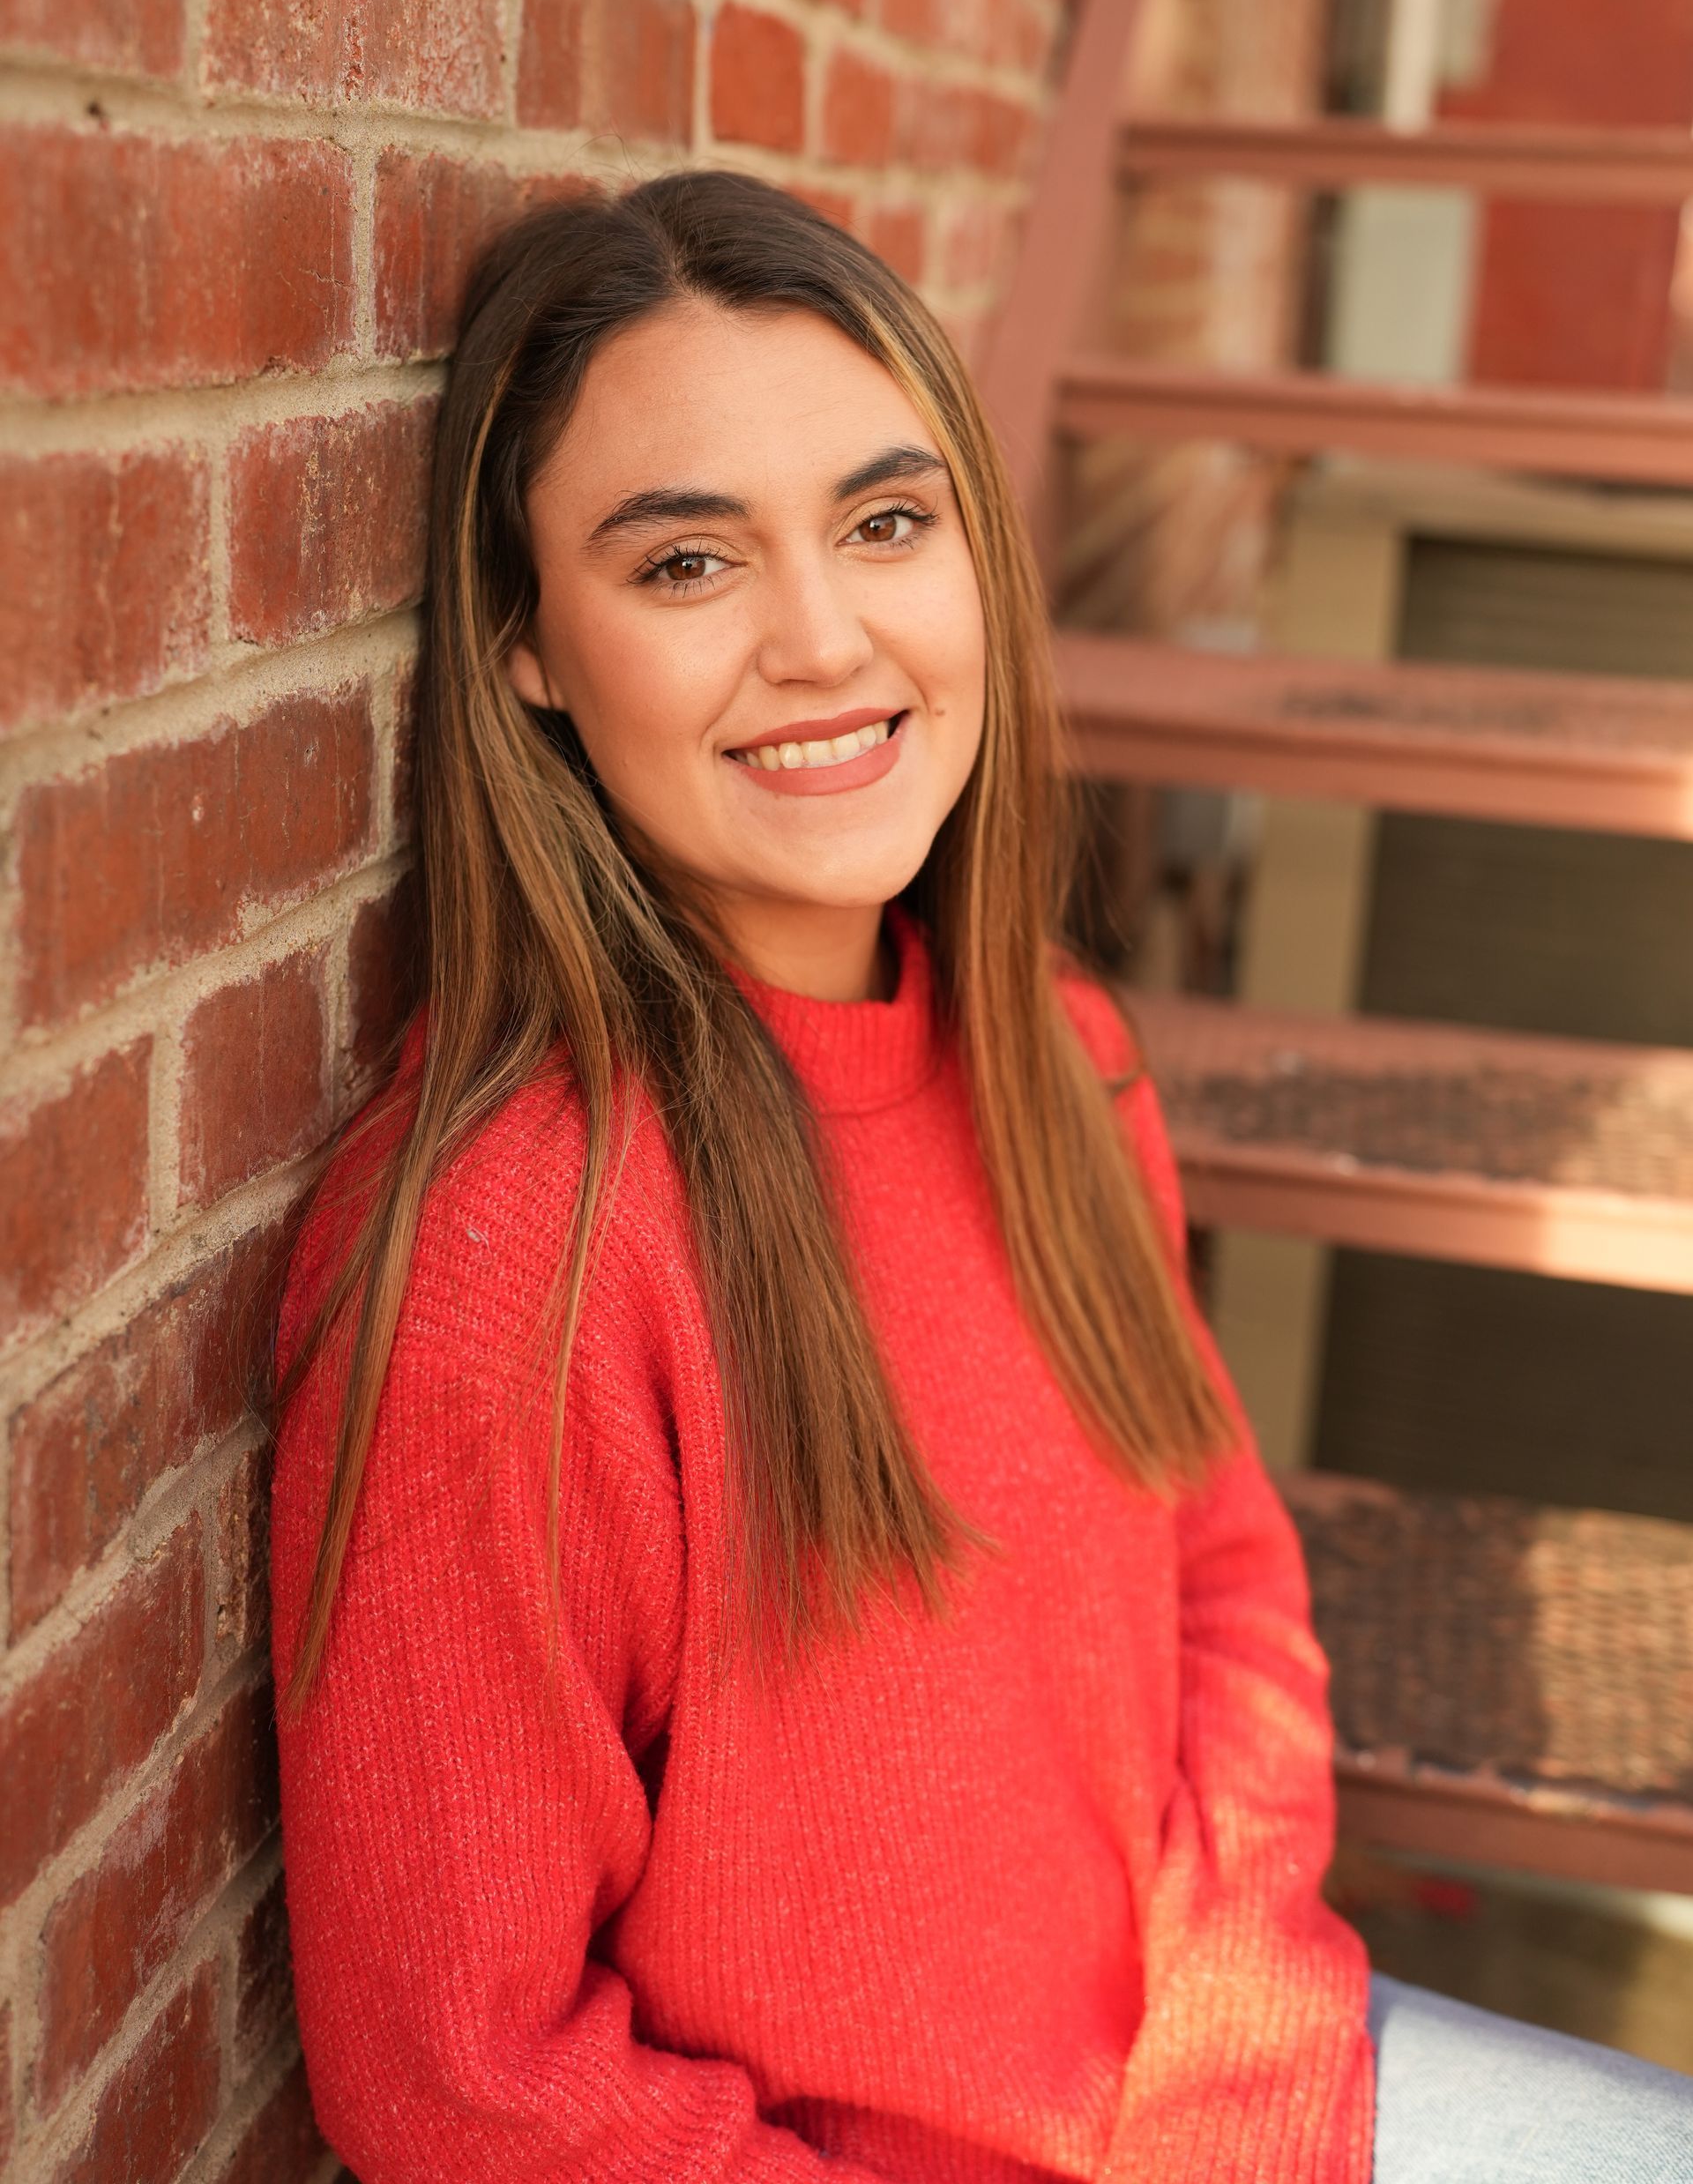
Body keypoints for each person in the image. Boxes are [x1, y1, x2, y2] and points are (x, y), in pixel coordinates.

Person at [268, 170, 1693, 2184]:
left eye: (885, 521)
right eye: (687, 567)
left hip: (1234, 2083)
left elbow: (1229, 1594)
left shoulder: (1057, 1051)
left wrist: (1234, 2092)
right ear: (528, 651)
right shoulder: (517, 1256)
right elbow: (469, 2082)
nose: (825, 638)